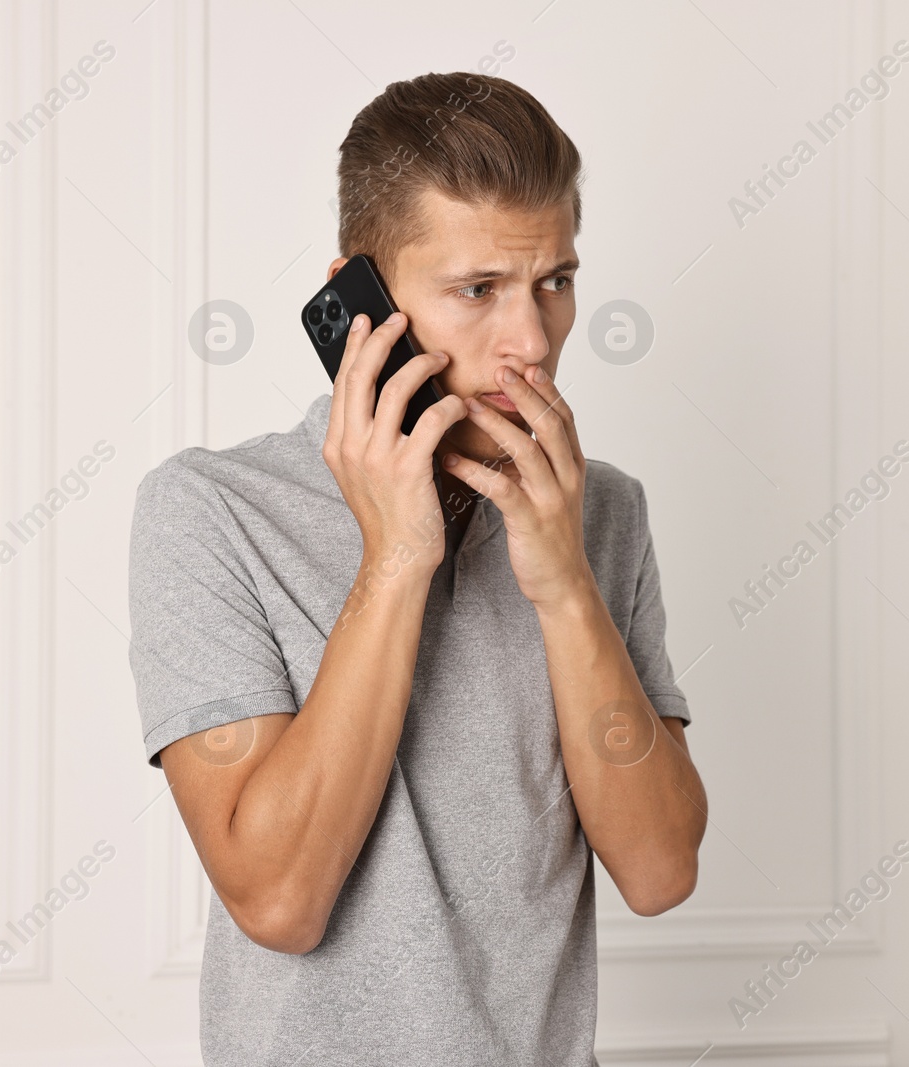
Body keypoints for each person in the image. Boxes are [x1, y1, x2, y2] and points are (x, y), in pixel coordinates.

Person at [128, 70, 708, 1067]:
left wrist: (565, 584)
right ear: (364, 303)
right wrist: (396, 554)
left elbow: (658, 871)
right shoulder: (212, 511)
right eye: (477, 290)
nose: (530, 341)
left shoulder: (600, 512)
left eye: (554, 282)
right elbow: (278, 898)